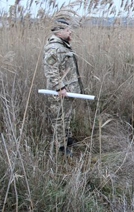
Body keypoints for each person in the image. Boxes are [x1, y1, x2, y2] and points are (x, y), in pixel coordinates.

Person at [43, 18, 84, 157]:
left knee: (66, 116)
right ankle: (61, 147)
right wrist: (59, 88)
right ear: (59, 32)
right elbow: (50, 70)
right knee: (59, 119)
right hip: (59, 92)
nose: (70, 32)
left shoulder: (63, 45)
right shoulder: (54, 48)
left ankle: (67, 139)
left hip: (68, 91)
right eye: (67, 30)